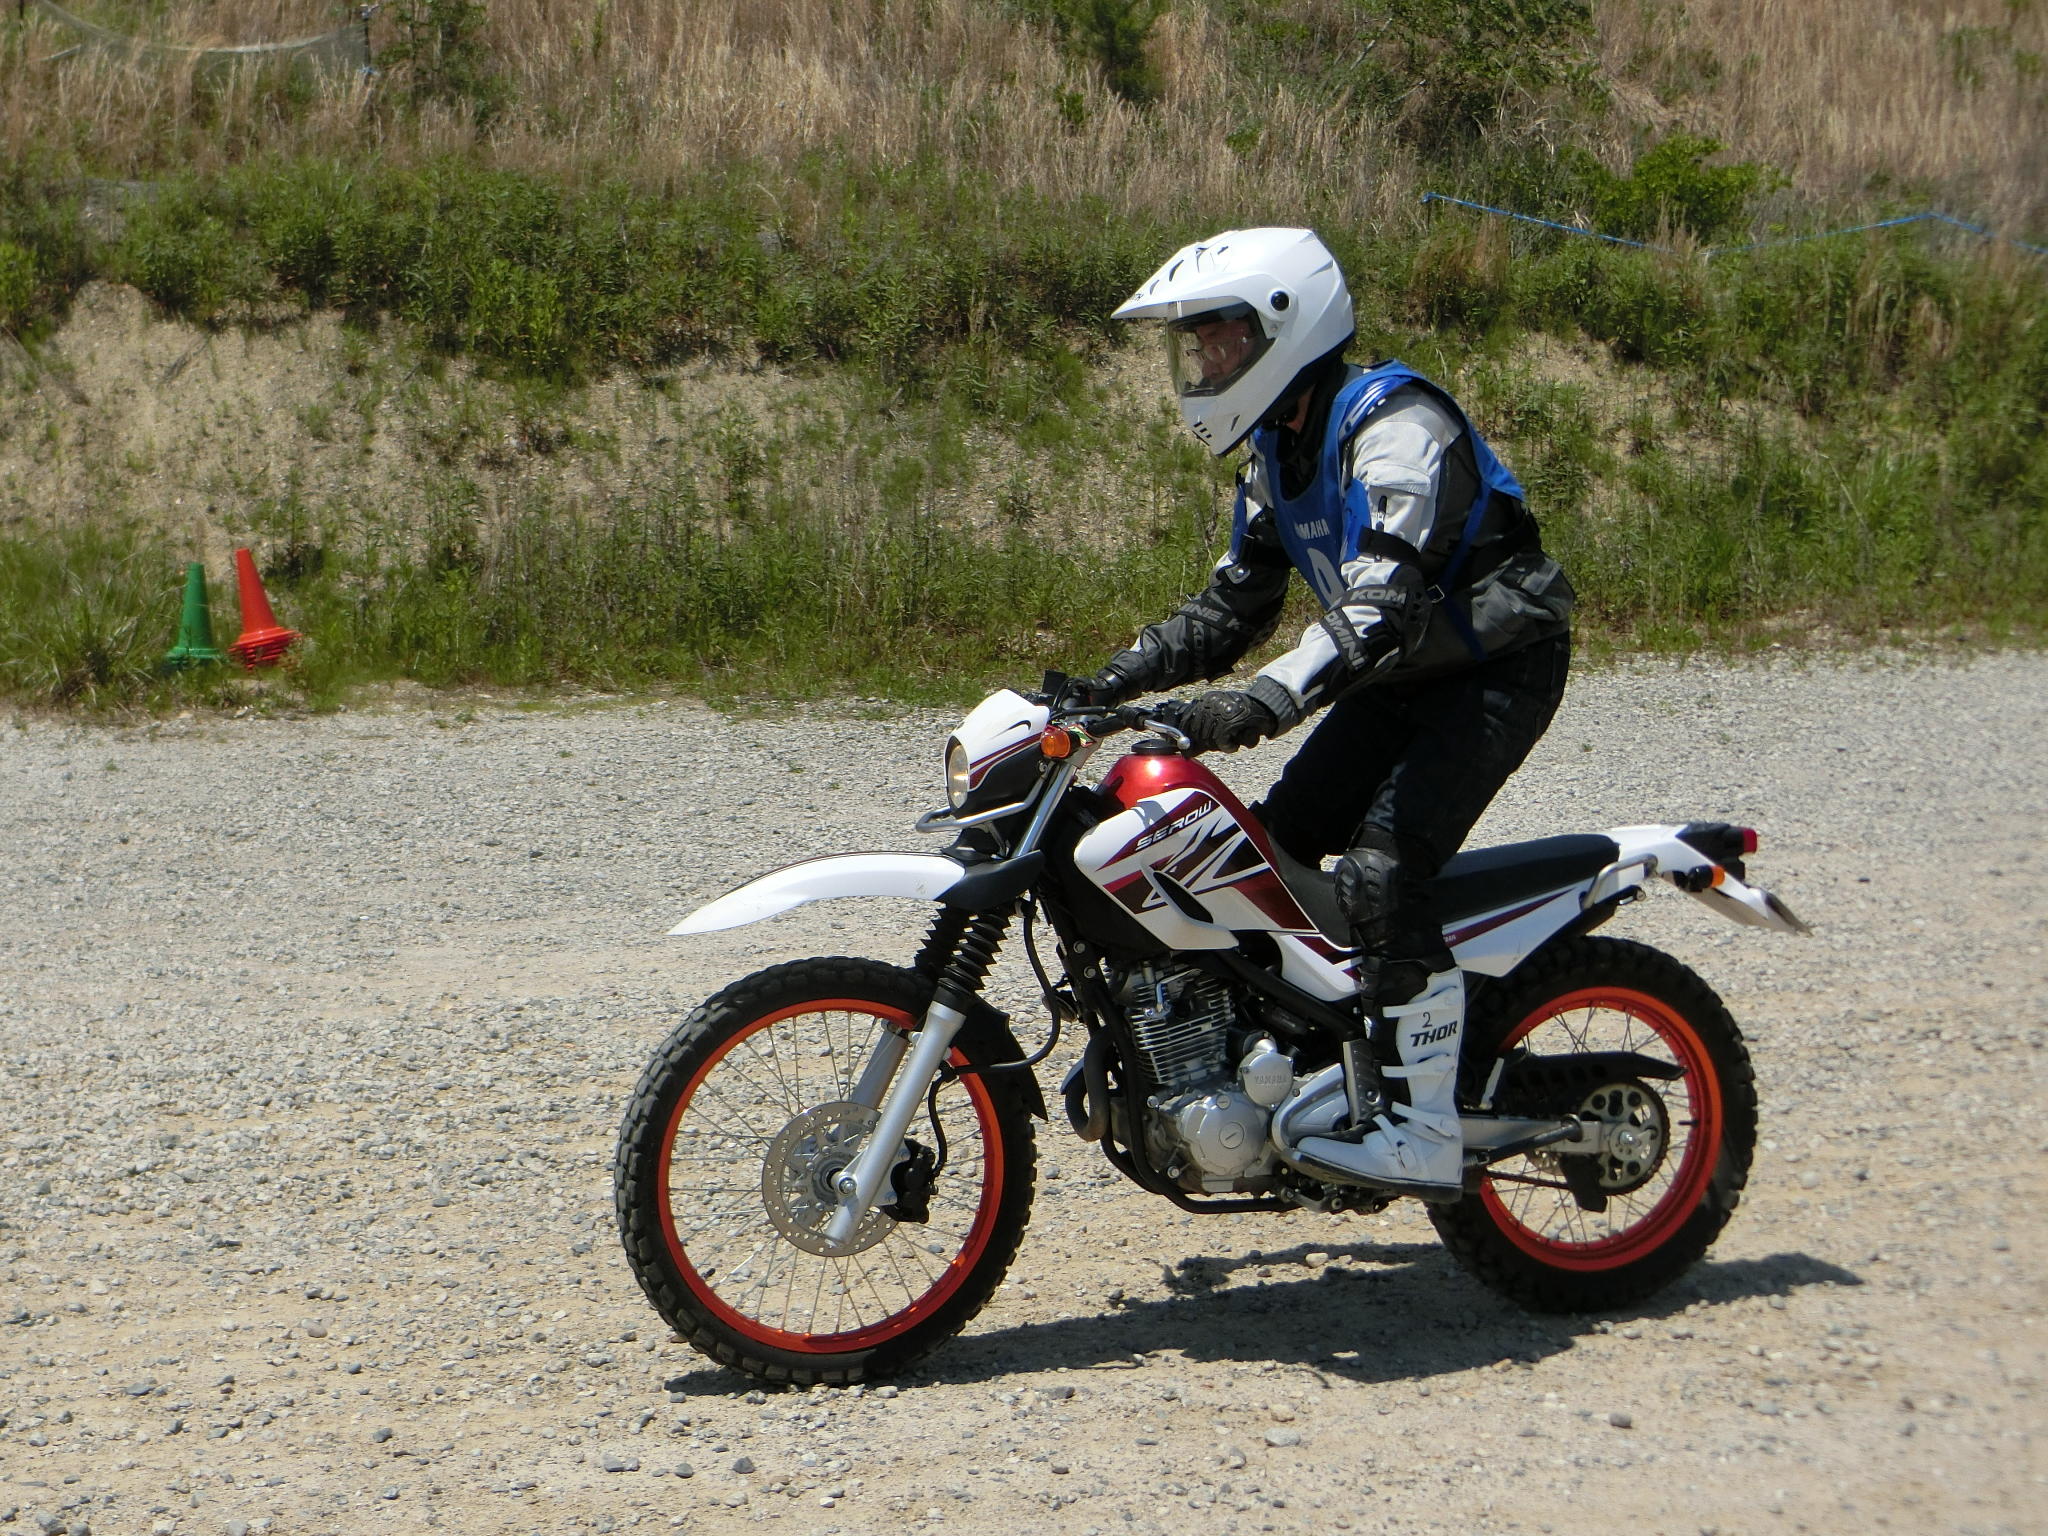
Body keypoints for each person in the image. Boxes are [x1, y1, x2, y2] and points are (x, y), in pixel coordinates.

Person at [1076, 227, 1575, 1195]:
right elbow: (1230, 606)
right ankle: (1301, 1075)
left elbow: (1373, 607)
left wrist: (1255, 704)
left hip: (1492, 672)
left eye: (1218, 340)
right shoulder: (1275, 447)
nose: (1204, 362)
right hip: (1397, 678)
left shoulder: (1393, 426)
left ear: (1283, 327)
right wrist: (1103, 684)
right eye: (1198, 345)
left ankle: (1421, 1127)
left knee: (1382, 878)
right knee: (1262, 861)